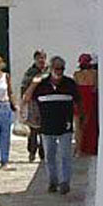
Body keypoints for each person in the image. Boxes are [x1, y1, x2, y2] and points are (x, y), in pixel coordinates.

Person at [24, 56, 80, 194]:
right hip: (47, 126)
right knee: (49, 156)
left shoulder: (70, 84)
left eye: (62, 68)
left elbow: (79, 104)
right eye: (56, 68)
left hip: (65, 126)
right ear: (50, 69)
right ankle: (52, 181)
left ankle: (65, 182)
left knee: (65, 156)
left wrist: (79, 127)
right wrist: (34, 83)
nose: (59, 71)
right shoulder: (42, 85)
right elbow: (26, 98)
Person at [20, 50, 48, 162]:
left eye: (43, 58)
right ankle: (32, 151)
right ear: (35, 59)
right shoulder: (30, 72)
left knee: (44, 129)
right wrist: (24, 101)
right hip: (34, 103)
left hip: (46, 103)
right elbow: (24, 87)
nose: (41, 60)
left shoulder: (48, 71)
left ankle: (43, 153)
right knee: (34, 129)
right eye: (39, 58)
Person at [74, 53, 99, 156]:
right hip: (89, 99)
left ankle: (78, 149)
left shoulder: (76, 74)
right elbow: (95, 88)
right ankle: (89, 147)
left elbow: (75, 89)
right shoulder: (95, 74)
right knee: (88, 125)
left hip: (79, 100)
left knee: (78, 126)